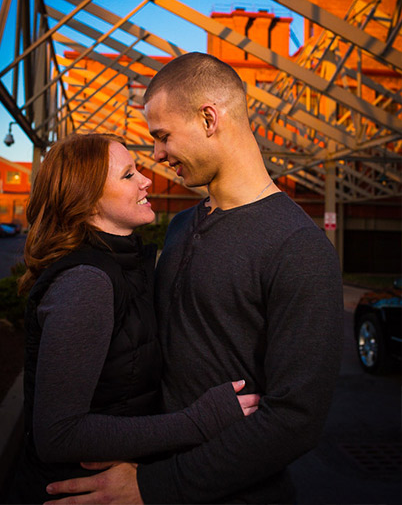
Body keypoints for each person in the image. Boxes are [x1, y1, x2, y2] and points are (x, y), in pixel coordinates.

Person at [45, 53, 342, 504]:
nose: (158, 155)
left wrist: (156, 487)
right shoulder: (182, 227)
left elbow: (295, 419)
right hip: (145, 473)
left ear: (209, 118)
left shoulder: (299, 246)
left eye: (163, 136)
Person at [9, 132, 260, 504]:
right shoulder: (87, 283)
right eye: (128, 175)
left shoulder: (127, 267)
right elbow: (57, 434)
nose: (146, 180)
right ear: (88, 200)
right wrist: (198, 421)